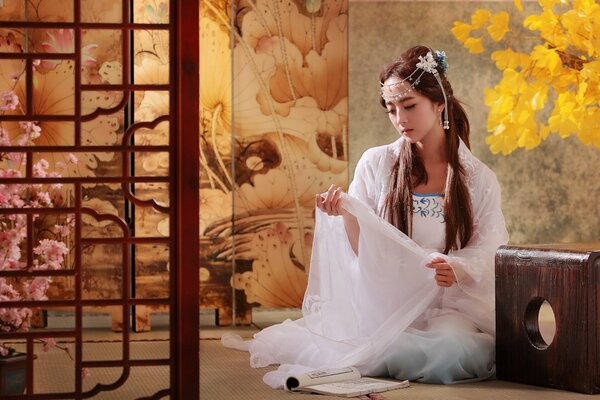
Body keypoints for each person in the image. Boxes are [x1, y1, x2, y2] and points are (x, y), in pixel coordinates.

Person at [222, 45, 509, 388]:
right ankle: (383, 352)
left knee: (453, 351)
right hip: (389, 301)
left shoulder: (477, 177)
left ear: (439, 104)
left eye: (409, 106)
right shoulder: (377, 164)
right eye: (391, 109)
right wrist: (344, 213)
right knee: (376, 344)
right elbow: (360, 251)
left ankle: (387, 356)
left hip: (451, 306)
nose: (400, 119)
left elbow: (491, 245)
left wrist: (459, 267)